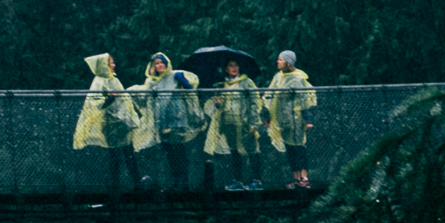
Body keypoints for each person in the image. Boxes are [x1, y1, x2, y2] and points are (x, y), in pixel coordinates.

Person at [70, 52, 148, 196]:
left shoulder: (112, 79)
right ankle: (118, 187)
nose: (114, 65)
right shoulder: (99, 81)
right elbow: (95, 102)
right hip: (112, 125)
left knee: (126, 154)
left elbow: (124, 101)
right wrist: (109, 100)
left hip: (122, 124)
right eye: (111, 63)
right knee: (117, 156)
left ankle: (132, 185)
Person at [135, 51, 199, 192]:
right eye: (156, 63)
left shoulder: (175, 76)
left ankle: (183, 183)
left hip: (176, 120)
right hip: (162, 123)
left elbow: (190, 90)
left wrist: (183, 82)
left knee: (179, 151)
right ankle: (177, 182)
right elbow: (145, 100)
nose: (160, 65)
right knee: (170, 154)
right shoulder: (151, 82)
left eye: (162, 62)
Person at [203, 57, 260, 190]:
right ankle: (238, 181)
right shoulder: (222, 85)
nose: (234, 68)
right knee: (235, 152)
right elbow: (220, 108)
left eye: (236, 65)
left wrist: (254, 122)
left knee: (252, 150)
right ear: (226, 69)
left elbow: (254, 102)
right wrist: (218, 104)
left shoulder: (246, 82)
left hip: (245, 123)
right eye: (231, 65)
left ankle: (257, 180)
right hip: (230, 124)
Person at [266, 50, 320, 190]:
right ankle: (296, 179)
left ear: (288, 62)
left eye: (281, 59)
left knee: (299, 148)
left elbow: (303, 101)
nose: (278, 62)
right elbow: (269, 96)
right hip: (282, 121)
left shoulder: (297, 79)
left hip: (295, 120)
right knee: (290, 150)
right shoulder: (278, 77)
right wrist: (268, 116)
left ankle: (304, 178)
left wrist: (307, 119)